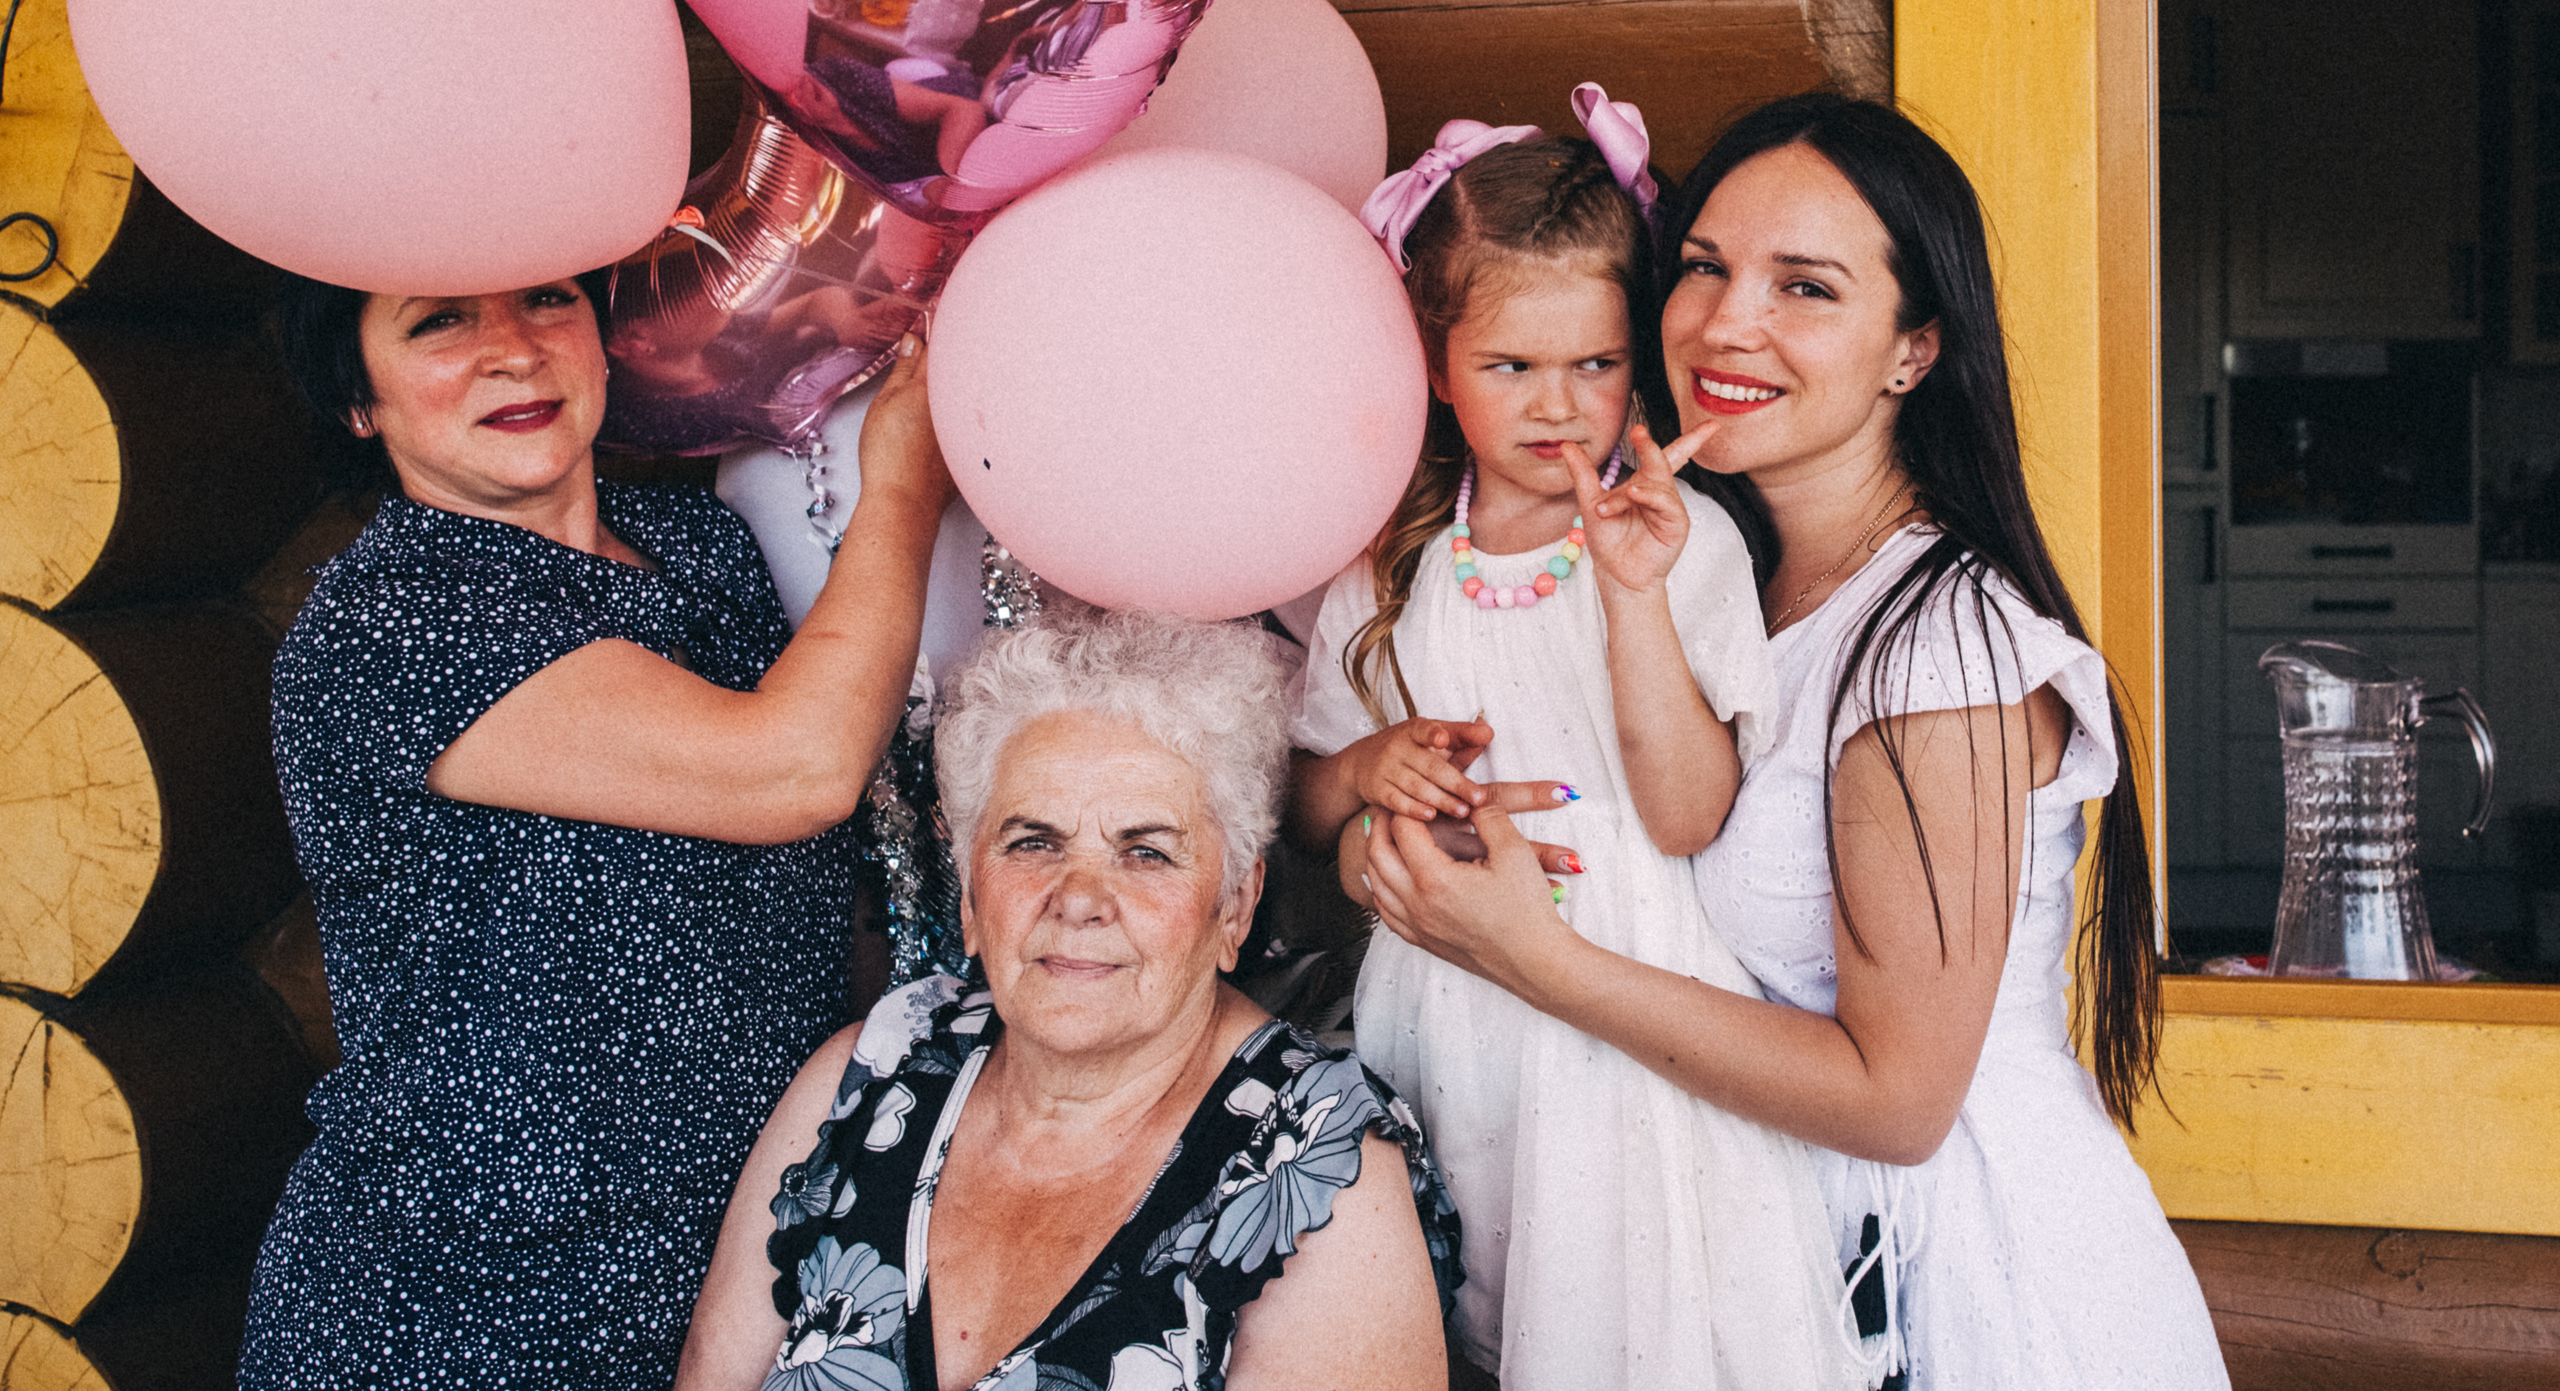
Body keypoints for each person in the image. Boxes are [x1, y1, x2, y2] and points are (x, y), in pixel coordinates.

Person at [1356, 93, 2230, 1389]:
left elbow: (1898, 1097)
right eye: (1704, 265)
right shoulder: (1729, 578)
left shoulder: (1944, 650)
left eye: (1804, 285)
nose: (1726, 320)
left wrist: (1527, 950)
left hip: (1983, 1307)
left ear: (1913, 349)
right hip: (1791, 1282)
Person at [240, 272, 952, 1390]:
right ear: (358, 400)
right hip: (463, 1301)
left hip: (731, 1275)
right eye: (441, 321)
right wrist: (902, 485)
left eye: (548, 301)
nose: (514, 350)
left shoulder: (697, 542)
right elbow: (796, 770)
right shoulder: (388, 619)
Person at [1286, 89, 1866, 1390]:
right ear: (1435, 363)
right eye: (1511, 367)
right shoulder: (1385, 568)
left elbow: (1685, 812)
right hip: (1443, 1003)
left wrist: (1634, 598)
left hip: (1622, 1005)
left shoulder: (1682, 540)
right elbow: (1304, 809)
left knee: (1623, 1311)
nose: (1561, 407)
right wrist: (1364, 773)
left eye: (1596, 364)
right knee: (1464, 1309)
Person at [678, 611, 1461, 1391]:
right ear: (971, 898)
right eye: (1033, 842)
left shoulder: (1320, 1167)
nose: (1080, 898)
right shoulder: (875, 1067)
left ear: (1236, 906)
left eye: (1146, 851)